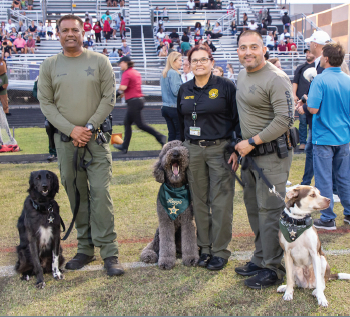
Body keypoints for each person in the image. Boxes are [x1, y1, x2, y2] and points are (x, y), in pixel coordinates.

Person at [38, 14, 124, 277]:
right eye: (64, 30)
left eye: (75, 29)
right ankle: (85, 249)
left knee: (100, 194)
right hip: (65, 143)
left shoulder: (100, 61)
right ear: (58, 34)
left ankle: (109, 252)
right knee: (77, 196)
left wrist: (87, 128)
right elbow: (46, 104)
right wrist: (71, 130)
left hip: (95, 141)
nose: (70, 34)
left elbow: (108, 99)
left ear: (83, 31)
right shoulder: (49, 65)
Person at [231, 30, 294, 288]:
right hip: (250, 157)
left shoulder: (277, 78)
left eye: (253, 47)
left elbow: (284, 119)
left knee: (270, 212)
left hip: (271, 156)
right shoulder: (242, 74)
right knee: (254, 209)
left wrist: (253, 142)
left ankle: (273, 268)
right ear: (237, 51)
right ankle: (260, 257)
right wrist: (240, 148)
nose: (248, 52)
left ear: (264, 49)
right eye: (243, 47)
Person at [177, 46, 240, 271]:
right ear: (189, 64)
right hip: (192, 150)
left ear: (212, 62)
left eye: (204, 59)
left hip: (220, 149)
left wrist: (236, 148)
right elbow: (179, 122)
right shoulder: (184, 89)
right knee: (199, 201)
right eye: (194, 60)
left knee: (221, 201)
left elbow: (237, 119)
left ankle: (220, 250)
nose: (199, 64)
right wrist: (177, 150)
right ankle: (204, 247)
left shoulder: (226, 87)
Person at [306, 43, 350, 229]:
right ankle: (348, 213)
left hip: (323, 137)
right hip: (344, 136)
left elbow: (313, 108)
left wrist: (307, 101)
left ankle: (327, 217)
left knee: (324, 178)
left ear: (326, 58)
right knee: (344, 177)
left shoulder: (320, 80)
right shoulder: (348, 79)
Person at [295, 31, 331, 190]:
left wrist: (306, 108)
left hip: (323, 120)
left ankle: (328, 189)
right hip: (317, 119)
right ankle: (306, 184)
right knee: (310, 151)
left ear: (316, 44)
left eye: (311, 44)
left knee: (322, 156)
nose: (309, 46)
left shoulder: (325, 64)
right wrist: (304, 100)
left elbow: (322, 96)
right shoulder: (318, 64)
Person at [114, 56, 166, 153]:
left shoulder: (127, 73)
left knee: (140, 125)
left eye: (120, 63)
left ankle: (160, 137)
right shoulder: (135, 72)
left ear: (125, 63)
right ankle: (124, 146)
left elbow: (123, 87)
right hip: (138, 100)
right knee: (127, 122)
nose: (119, 65)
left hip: (134, 102)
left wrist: (114, 95)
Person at [292, 49, 315, 151]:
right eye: (306, 52)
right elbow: (295, 82)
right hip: (302, 100)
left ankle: (312, 142)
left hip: (314, 99)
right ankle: (302, 142)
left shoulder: (318, 67)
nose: (308, 54)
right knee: (302, 121)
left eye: (309, 52)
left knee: (313, 122)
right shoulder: (301, 68)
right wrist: (294, 94)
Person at [160, 52, 182, 141]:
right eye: (180, 60)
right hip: (174, 107)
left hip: (165, 107)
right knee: (179, 134)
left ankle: (168, 154)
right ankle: (177, 154)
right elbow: (176, 91)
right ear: (173, 61)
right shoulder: (174, 73)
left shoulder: (164, 73)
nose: (181, 62)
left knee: (171, 134)